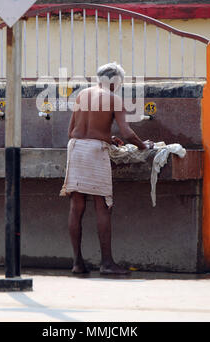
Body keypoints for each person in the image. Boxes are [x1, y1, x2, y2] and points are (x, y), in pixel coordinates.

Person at [59, 62, 153, 274]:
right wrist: (144, 146)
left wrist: (107, 138)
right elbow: (128, 133)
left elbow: (71, 131)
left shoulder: (82, 95)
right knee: (102, 206)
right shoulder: (114, 99)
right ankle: (107, 263)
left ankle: (77, 263)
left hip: (75, 148)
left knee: (76, 206)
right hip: (94, 152)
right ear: (116, 82)